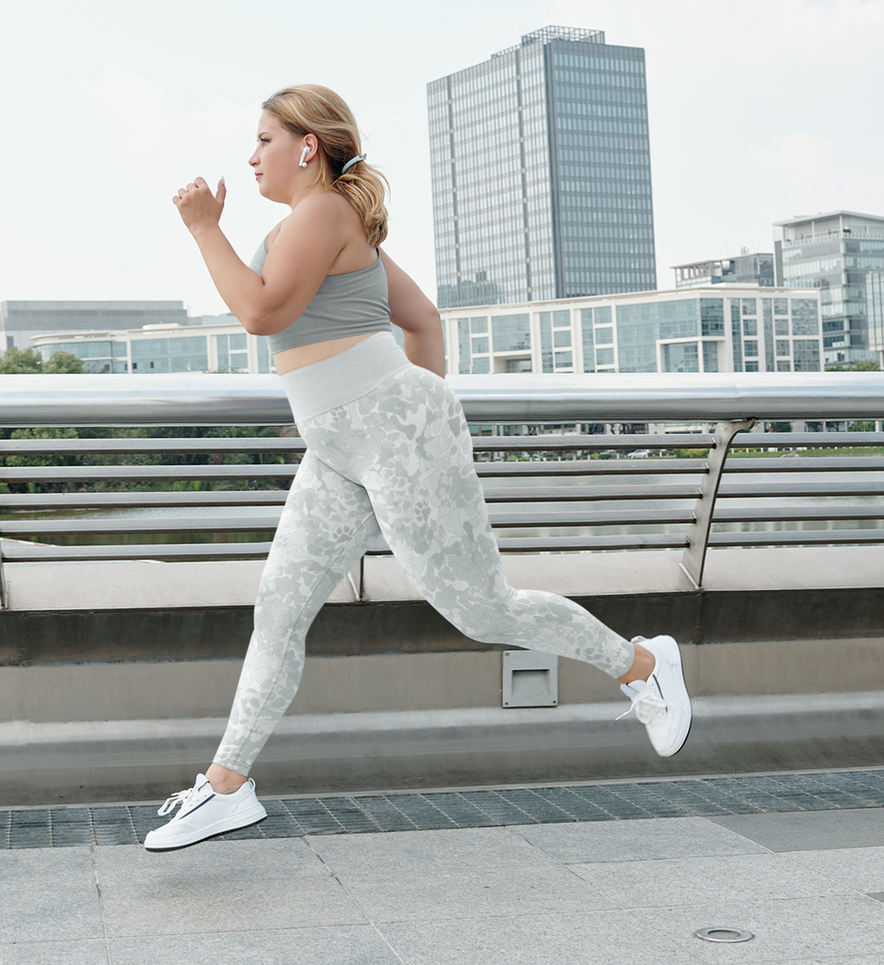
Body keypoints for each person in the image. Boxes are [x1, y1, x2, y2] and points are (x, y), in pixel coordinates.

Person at [144, 85, 690, 852]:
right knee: (280, 609)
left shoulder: (325, 211)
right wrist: (416, 408)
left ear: (309, 147)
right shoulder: (319, 224)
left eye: (264, 138)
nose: (251, 155)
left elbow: (263, 313)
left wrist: (204, 228)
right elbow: (422, 319)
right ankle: (226, 785)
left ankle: (642, 663)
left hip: (392, 433)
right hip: (340, 446)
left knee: (481, 609)